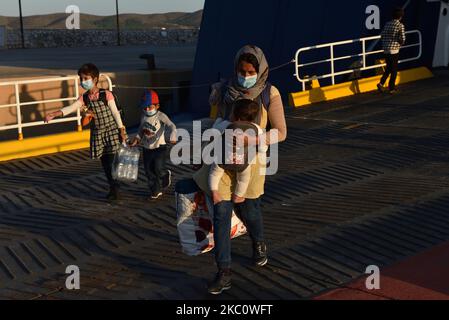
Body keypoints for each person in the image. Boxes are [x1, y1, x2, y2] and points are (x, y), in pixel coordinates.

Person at [192, 45, 287, 295]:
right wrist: (203, 152)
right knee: (221, 215)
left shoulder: (270, 93)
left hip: (252, 164)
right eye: (241, 71)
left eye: (250, 71)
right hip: (223, 161)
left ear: (260, 70)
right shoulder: (225, 90)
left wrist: (253, 140)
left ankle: (259, 242)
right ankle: (223, 272)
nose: (245, 75)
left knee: (250, 210)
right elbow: (216, 124)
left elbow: (281, 132)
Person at [45, 63, 127, 200]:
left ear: (95, 79)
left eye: (85, 78)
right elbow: (71, 108)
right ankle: (113, 187)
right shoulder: (84, 98)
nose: (83, 82)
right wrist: (54, 114)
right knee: (105, 163)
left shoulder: (106, 94)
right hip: (98, 133)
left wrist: (121, 130)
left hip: (111, 130)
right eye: (81, 79)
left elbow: (115, 113)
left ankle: (115, 186)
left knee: (112, 161)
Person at [209, 99, 268, 205]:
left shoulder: (226, 124)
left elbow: (213, 132)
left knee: (214, 173)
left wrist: (218, 121)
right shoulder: (257, 129)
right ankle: (238, 196)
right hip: (242, 163)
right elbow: (263, 148)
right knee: (244, 179)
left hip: (223, 160)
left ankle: (214, 192)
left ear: (237, 117)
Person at [129, 89, 177, 200]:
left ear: (157, 106)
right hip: (146, 148)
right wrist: (136, 139)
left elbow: (172, 126)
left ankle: (165, 175)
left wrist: (173, 136)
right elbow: (141, 130)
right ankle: (155, 190)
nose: (147, 109)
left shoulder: (161, 116)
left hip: (159, 147)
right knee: (148, 171)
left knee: (158, 168)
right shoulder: (143, 116)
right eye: (144, 107)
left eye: (150, 107)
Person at [377, 7, 406, 94]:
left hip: (386, 49)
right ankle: (391, 88)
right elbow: (403, 39)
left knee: (389, 68)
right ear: (401, 16)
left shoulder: (387, 24)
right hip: (394, 50)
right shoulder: (400, 25)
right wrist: (400, 43)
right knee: (394, 70)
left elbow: (382, 35)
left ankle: (381, 83)